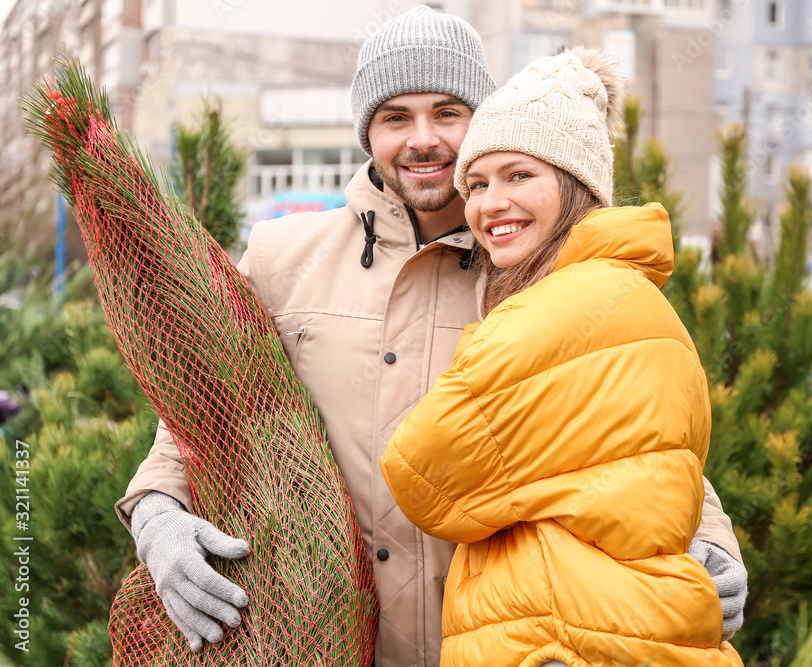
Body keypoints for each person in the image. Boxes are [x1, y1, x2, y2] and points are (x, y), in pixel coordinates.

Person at [114, 7, 747, 666]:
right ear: (368, 133)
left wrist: (711, 538)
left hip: (493, 644)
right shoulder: (281, 257)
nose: (423, 139)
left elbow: (634, 429)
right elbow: (199, 404)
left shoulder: (535, 268)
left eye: (449, 113)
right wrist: (158, 514)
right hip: (329, 644)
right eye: (396, 118)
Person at [379, 47, 743, 667]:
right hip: (608, 629)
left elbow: (422, 474)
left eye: (519, 176)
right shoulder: (630, 295)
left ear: (577, 188)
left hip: (563, 638)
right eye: (478, 183)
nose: (490, 203)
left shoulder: (555, 306)